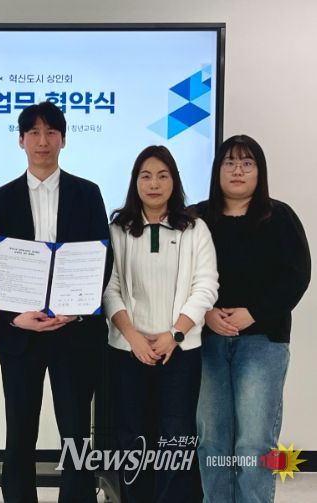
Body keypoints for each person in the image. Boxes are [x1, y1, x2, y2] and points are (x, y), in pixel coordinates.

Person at [0, 101, 112, 503]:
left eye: (51, 132)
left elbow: (102, 259)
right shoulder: (1, 198)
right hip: (21, 333)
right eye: (34, 133)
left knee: (76, 434)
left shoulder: (88, 193)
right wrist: (16, 315)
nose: (43, 141)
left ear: (63, 139)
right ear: (21, 140)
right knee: (19, 432)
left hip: (75, 333)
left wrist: (75, 309)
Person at [195, 135, 311, 502]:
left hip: (263, 342)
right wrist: (205, 313)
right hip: (207, 340)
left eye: (247, 163)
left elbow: (297, 276)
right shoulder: (197, 218)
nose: (238, 170)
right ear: (217, 170)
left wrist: (254, 313)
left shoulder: (279, 217)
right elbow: (181, 275)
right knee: (212, 438)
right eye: (229, 162)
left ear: (260, 172)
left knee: (254, 441)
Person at [102, 145, 218, 502]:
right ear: (135, 181)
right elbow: (109, 288)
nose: (154, 184)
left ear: (174, 181)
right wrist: (133, 337)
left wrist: (175, 334)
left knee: (176, 437)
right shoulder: (118, 229)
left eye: (162, 176)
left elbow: (206, 286)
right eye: (146, 176)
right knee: (133, 437)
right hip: (128, 350)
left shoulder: (195, 229)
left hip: (180, 351)